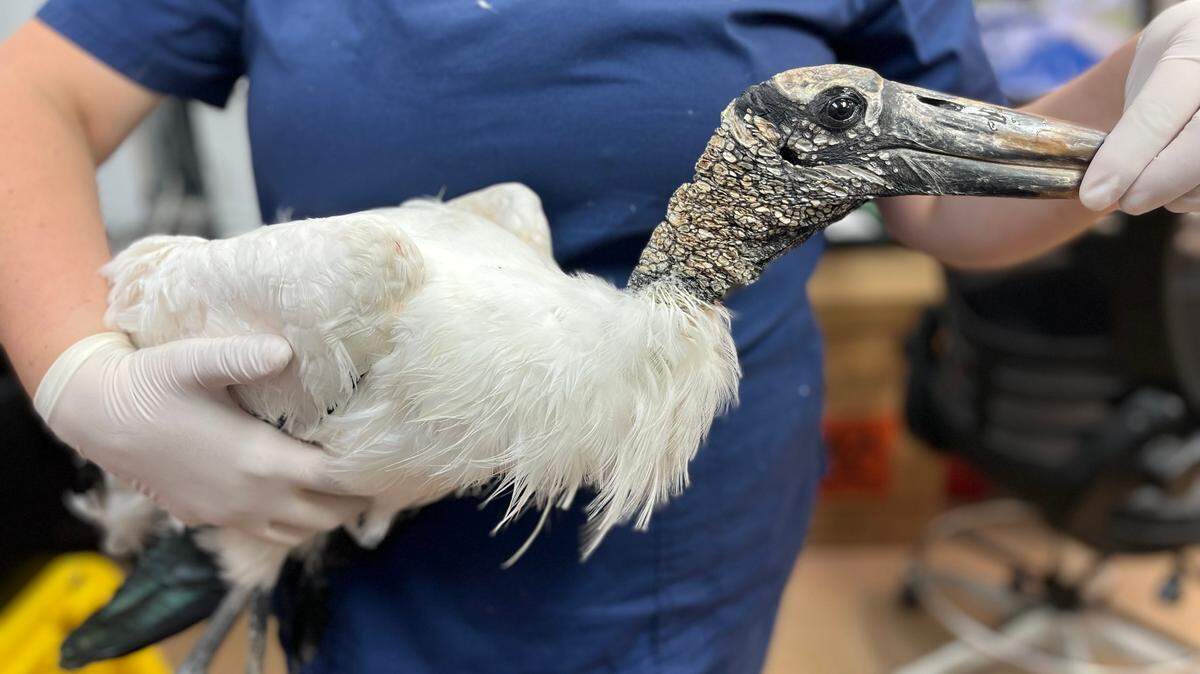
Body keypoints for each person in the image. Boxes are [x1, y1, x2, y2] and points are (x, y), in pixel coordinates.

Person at [1, 1, 1198, 672]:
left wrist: (1129, 96)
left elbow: (937, 199)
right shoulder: (357, 279)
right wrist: (76, 374)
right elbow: (31, 91)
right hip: (336, 539)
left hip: (697, 509)